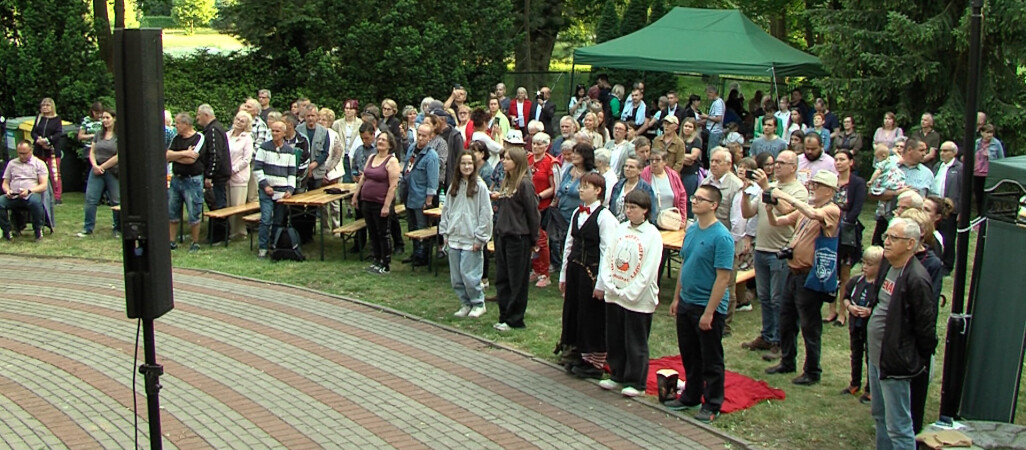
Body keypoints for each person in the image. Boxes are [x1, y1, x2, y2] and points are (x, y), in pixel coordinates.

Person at [764, 170, 842, 386]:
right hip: (793, 270)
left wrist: (785, 196)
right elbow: (779, 221)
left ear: (829, 190)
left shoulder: (831, 210)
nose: (812, 188)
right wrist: (770, 208)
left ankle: (813, 369)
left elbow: (810, 213)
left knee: (810, 324)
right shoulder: (809, 210)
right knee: (786, 319)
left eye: (817, 185)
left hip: (811, 274)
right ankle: (787, 360)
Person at [664, 185, 734, 424]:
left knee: (711, 357)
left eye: (701, 199)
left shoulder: (722, 237)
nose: (695, 201)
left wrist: (710, 311)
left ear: (713, 205)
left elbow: (723, 277)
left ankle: (712, 402)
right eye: (695, 197)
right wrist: (676, 297)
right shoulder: (692, 230)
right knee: (689, 353)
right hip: (687, 302)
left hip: (707, 305)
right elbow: (684, 263)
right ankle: (691, 394)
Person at [868, 218, 938, 450]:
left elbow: (925, 327)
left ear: (910, 244)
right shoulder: (888, 266)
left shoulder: (917, 278)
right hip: (877, 357)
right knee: (880, 416)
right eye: (886, 237)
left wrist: (914, 358)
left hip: (896, 363)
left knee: (899, 426)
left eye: (893, 238)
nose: (886, 242)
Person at [740, 150, 807, 359]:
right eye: (775, 163)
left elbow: (788, 211)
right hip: (762, 249)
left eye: (781, 163)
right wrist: (744, 193)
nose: (776, 166)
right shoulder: (768, 188)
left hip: (781, 251)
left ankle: (780, 339)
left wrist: (767, 187)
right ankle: (767, 335)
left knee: (780, 299)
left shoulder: (798, 191)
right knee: (766, 297)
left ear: (793, 167)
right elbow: (748, 213)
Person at [598, 189, 662, 397]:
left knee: (635, 339)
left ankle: (636, 380)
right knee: (615, 336)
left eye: (633, 208)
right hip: (615, 294)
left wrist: (630, 292)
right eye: (627, 207)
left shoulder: (652, 235)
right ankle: (617, 373)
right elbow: (608, 256)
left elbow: (649, 270)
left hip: (637, 298)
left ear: (645, 211)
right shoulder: (621, 228)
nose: (629, 211)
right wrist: (610, 285)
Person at [557, 172, 617, 378]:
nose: (581, 190)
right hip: (576, 269)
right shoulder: (577, 213)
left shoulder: (604, 217)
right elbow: (569, 244)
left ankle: (597, 360)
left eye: (586, 186)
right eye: (581, 186)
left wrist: (602, 283)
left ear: (598, 191)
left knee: (592, 315)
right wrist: (563, 275)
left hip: (592, 272)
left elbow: (607, 251)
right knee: (576, 312)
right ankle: (580, 352)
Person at [492, 147, 541, 331]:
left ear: (517, 162)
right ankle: (504, 314)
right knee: (502, 278)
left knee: (517, 280)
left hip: (518, 237)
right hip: (502, 234)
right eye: (503, 158)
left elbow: (532, 213)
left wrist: (534, 239)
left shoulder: (525, 184)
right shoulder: (507, 181)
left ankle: (515, 319)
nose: (504, 161)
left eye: (507, 159)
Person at [440, 151, 493, 319]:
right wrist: (445, 232)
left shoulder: (480, 186)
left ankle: (478, 303)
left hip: (471, 238)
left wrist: (481, 237)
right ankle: (465, 303)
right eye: (463, 163)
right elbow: (447, 209)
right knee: (456, 277)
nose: (467, 167)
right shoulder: (454, 186)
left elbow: (486, 213)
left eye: (470, 163)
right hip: (454, 236)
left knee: (470, 274)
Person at [701, 147, 744, 333]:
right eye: (712, 161)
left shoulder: (736, 185)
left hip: (727, 240)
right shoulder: (707, 181)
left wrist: (733, 244)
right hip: (706, 238)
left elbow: (738, 220)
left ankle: (725, 323)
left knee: (727, 282)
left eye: (718, 162)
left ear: (729, 164)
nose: (714, 165)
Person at [825, 150, 867, 326]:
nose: (838, 162)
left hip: (847, 232)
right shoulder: (831, 181)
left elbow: (856, 208)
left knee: (844, 272)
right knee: (830, 271)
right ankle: (831, 310)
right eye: (836, 159)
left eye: (842, 159)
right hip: (829, 229)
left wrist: (843, 222)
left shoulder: (857, 183)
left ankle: (843, 311)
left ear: (850, 162)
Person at [351, 132, 401, 274]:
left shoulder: (392, 161)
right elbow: (364, 177)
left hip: (381, 202)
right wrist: (356, 195)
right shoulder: (372, 157)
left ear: (390, 144)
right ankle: (376, 259)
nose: (381, 142)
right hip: (367, 201)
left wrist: (386, 205)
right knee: (372, 232)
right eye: (379, 139)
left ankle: (385, 263)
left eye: (384, 140)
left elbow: (393, 185)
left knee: (383, 233)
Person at [841, 245, 883, 403]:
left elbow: (882, 305)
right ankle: (854, 383)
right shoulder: (855, 281)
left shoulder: (879, 286)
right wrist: (850, 307)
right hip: (855, 324)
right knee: (855, 354)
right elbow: (845, 297)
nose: (865, 267)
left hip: (870, 327)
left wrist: (870, 311)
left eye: (870, 264)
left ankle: (871, 388)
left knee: (870, 357)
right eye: (864, 263)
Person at [252, 120, 295, 258]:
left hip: (282, 191)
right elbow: (257, 169)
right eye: (273, 131)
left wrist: (290, 189)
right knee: (265, 219)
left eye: (278, 131)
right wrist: (265, 185)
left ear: (284, 133)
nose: (275, 133)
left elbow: (292, 172)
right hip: (266, 190)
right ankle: (262, 247)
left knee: (278, 220)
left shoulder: (290, 151)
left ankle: (274, 244)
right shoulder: (264, 147)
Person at [166, 113, 207, 252]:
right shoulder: (176, 138)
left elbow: (191, 159)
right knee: (172, 211)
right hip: (176, 178)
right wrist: (184, 153)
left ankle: (195, 242)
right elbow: (166, 155)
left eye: (177, 123)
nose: (175, 126)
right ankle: (171, 241)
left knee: (193, 211)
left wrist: (176, 156)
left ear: (186, 124)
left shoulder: (199, 137)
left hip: (192, 180)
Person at [76, 108, 120, 238]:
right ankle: (88, 227)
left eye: (107, 118)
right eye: (103, 118)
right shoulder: (98, 134)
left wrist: (103, 167)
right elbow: (92, 151)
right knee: (91, 198)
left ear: (114, 118)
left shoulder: (119, 135)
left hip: (113, 170)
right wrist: (95, 165)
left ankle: (118, 228)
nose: (105, 120)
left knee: (116, 200)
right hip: (96, 170)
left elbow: (119, 155)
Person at [401, 123, 440, 267]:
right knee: (412, 226)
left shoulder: (432, 156)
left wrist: (428, 201)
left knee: (422, 226)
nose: (421, 138)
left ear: (430, 138)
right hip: (409, 193)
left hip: (421, 197)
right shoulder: (412, 149)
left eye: (424, 136)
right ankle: (415, 252)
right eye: (419, 135)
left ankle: (424, 255)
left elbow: (433, 182)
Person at [196, 104, 232, 243]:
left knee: (217, 204)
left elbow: (215, 154)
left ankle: (220, 236)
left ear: (206, 115)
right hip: (218, 174)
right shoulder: (215, 128)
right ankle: (214, 234)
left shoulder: (213, 130)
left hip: (218, 175)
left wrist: (210, 174)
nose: (197, 118)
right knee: (215, 203)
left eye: (198, 115)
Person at [0, 141, 49, 241]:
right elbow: (5, 182)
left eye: (24, 153)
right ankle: (7, 231)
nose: (22, 156)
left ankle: (38, 230)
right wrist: (7, 191)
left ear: (31, 151)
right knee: (0, 202)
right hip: (14, 195)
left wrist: (29, 191)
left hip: (30, 194)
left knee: (35, 202)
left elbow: (43, 185)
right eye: (19, 153)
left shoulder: (39, 164)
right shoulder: (12, 163)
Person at [640, 148, 688, 228]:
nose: (654, 162)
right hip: (650, 222)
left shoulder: (673, 175)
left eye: (658, 160)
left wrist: (682, 219)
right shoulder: (645, 174)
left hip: (670, 221)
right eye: (651, 160)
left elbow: (682, 197)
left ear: (665, 162)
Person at [224, 111, 254, 240]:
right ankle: (231, 231)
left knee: (238, 205)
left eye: (242, 121)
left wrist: (233, 170)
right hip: (226, 174)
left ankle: (240, 232)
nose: (238, 122)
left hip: (239, 175)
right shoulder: (227, 135)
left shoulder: (247, 138)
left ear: (246, 125)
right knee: (228, 204)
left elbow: (246, 160)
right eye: (237, 119)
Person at [30, 97, 63, 204]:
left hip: (52, 150)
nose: (45, 107)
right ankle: (36, 192)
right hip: (39, 150)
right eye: (43, 105)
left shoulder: (57, 119)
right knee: (36, 172)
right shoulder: (39, 118)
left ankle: (57, 197)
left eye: (47, 105)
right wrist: (38, 140)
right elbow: (33, 132)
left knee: (55, 174)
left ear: (52, 107)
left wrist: (48, 141)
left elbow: (58, 133)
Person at [974, 123, 1004, 216]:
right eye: (987, 132)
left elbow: (1001, 159)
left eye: (991, 133)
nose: (989, 135)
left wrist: (989, 156)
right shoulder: (977, 143)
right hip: (977, 173)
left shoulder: (996, 144)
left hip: (989, 174)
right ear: (982, 133)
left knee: (988, 198)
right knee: (979, 197)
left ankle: (986, 217)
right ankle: (980, 216)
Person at [701, 86, 726, 153]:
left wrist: (706, 116)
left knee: (712, 153)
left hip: (715, 132)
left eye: (708, 94)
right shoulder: (717, 102)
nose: (708, 96)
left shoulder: (718, 103)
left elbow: (718, 118)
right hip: (713, 131)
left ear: (713, 93)